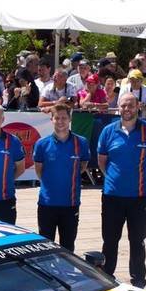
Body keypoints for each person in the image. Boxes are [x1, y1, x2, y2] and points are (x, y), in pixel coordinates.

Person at [97, 93, 146, 288]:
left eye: (131, 105)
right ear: (118, 107)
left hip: (140, 197)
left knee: (137, 240)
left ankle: (139, 280)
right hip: (112, 196)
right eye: (123, 105)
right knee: (109, 240)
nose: (127, 109)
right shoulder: (108, 131)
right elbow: (102, 161)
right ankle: (107, 277)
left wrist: (142, 180)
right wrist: (115, 179)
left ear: (138, 107)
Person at [33, 103, 87, 251]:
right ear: (52, 120)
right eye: (57, 118)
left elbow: (82, 166)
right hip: (47, 203)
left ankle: (66, 274)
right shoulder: (41, 144)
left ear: (70, 119)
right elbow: (39, 171)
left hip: (70, 204)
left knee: (68, 246)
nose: (60, 121)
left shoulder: (81, 142)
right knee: (44, 247)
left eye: (64, 118)